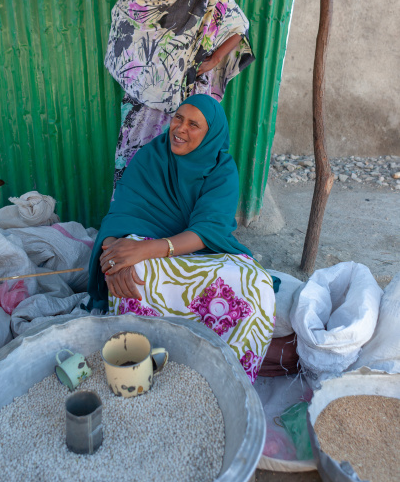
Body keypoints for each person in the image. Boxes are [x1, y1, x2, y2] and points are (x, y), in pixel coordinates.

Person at [87, 94, 275, 384]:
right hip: (150, 250)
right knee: (130, 272)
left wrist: (145, 249)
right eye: (178, 118)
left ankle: (228, 375)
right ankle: (145, 361)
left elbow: (208, 231)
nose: (180, 129)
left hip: (201, 254)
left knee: (256, 283)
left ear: (211, 133)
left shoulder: (221, 170)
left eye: (193, 124)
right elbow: (120, 213)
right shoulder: (152, 156)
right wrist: (113, 253)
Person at [105, 0, 255, 190]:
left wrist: (212, 61)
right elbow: (121, 36)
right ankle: (131, 231)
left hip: (185, 106)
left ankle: (177, 234)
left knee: (181, 171)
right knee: (138, 167)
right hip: (142, 107)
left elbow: (237, 25)